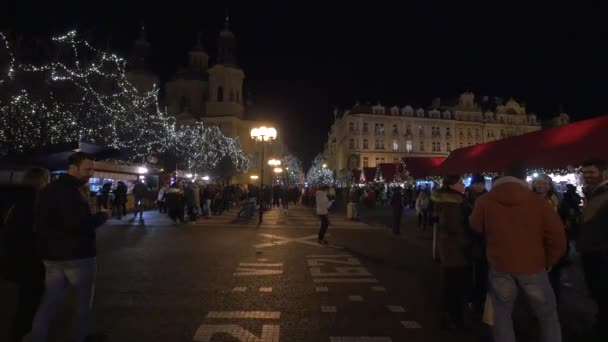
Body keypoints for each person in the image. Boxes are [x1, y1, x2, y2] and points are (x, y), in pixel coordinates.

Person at [469, 161, 566, 342]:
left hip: (500, 264)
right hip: (533, 265)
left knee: (502, 315)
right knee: (547, 316)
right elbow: (557, 236)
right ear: (523, 178)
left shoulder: (485, 200)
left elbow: (475, 225)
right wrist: (550, 260)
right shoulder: (537, 202)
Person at [31, 152, 109, 342]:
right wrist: (102, 216)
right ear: (73, 168)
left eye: (92, 169)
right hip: (77, 256)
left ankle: (36, 338)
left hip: (52, 257)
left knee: (49, 302)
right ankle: (80, 337)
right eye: (87, 169)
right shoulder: (72, 192)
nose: (91, 173)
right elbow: (78, 225)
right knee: (82, 303)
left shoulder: (49, 189)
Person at [3, 168, 49, 341]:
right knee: (29, 307)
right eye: (47, 180)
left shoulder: (15, 201)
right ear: (42, 181)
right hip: (31, 263)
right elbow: (36, 236)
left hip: (17, 261)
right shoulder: (33, 204)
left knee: (26, 304)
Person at [431, 175, 471, 330]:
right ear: (452, 186)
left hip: (449, 247)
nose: (463, 185)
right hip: (455, 249)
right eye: (461, 183)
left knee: (450, 283)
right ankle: (454, 318)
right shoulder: (452, 203)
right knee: (454, 285)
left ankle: (449, 316)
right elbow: (454, 228)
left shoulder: (449, 200)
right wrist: (466, 243)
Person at [577, 159, 608, 339]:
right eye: (585, 173)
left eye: (591, 173)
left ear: (603, 173)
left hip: (601, 253)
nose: (587, 176)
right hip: (592, 251)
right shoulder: (594, 192)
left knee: (603, 293)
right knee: (598, 293)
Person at [464, 173, 488, 313]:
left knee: (482, 272)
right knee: (469, 270)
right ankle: (471, 297)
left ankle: (479, 298)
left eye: (481, 183)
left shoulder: (488, 198)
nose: (479, 186)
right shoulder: (466, 198)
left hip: (484, 240)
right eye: (477, 183)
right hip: (470, 238)